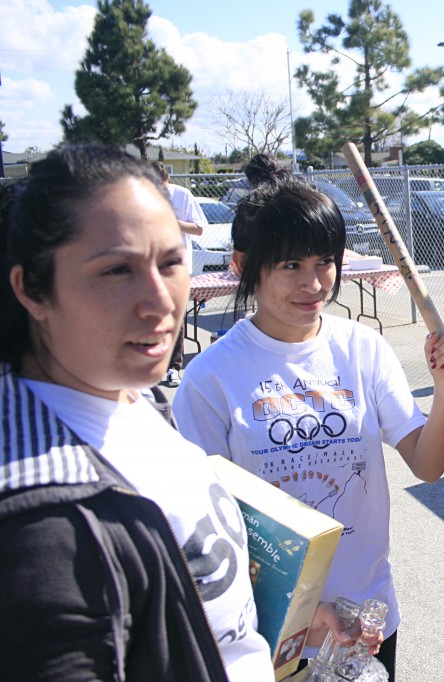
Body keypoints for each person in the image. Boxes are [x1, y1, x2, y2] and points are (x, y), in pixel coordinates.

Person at [172, 159, 444, 682]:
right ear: (244, 266)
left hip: (367, 621)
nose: (313, 283)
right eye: (290, 265)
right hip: (271, 629)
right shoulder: (210, 377)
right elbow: (205, 536)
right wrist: (301, 615)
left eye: (324, 262)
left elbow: (427, 464)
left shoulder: (362, 349)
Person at [0, 144, 273, 680]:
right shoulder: (43, 527)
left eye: (171, 262)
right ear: (33, 290)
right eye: (117, 270)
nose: (160, 301)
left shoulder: (128, 394)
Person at [152, 160, 208, 387]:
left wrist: (173, 222)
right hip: (150, 265)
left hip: (177, 267)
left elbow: (200, 228)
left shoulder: (182, 196)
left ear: (167, 180)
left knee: (175, 315)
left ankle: (174, 367)